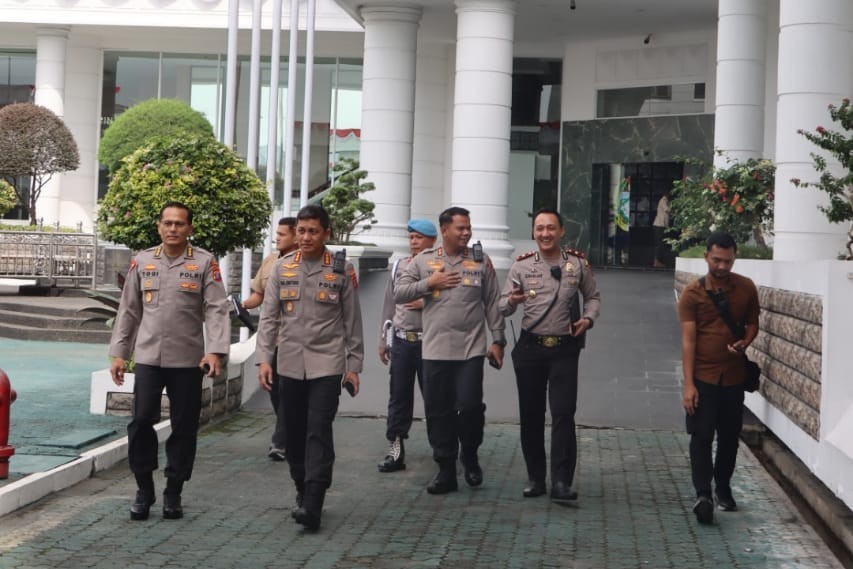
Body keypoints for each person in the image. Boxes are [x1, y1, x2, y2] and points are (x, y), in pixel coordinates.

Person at [109, 201, 230, 521]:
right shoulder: (143, 261)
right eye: (167, 223)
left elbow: (217, 308)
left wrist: (215, 351)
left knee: (185, 427)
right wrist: (119, 353)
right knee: (140, 421)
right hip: (149, 357)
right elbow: (129, 310)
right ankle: (143, 487)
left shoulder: (204, 263)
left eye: (179, 224)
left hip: (188, 359)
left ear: (190, 228)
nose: (173, 229)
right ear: (159, 226)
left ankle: (174, 489)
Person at [255, 204, 364, 531]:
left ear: (326, 233)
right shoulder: (282, 267)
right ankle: (301, 486)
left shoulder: (342, 270)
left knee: (319, 428)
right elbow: (269, 318)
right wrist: (263, 359)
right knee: (293, 430)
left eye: (313, 231)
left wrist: (353, 365)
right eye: (301, 231)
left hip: (327, 363)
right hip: (289, 362)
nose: (305, 237)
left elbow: (352, 321)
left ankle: (314, 500)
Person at [395, 206, 506, 494]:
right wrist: (429, 283)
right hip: (434, 350)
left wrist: (498, 340)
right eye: (461, 228)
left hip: (470, 350)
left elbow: (493, 302)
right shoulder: (424, 260)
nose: (467, 233)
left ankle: (469, 455)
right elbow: (400, 292)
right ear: (444, 231)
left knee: (470, 407)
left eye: (469, 228)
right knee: (438, 412)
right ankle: (445, 469)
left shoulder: (480, 261)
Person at [500, 208, 601, 503]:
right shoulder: (521, 266)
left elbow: (593, 296)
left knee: (563, 413)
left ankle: (561, 481)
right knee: (531, 415)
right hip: (530, 348)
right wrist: (512, 301)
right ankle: (536, 478)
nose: (545, 234)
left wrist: (588, 319)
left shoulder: (577, 264)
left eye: (551, 228)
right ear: (533, 232)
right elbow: (502, 306)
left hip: (564, 349)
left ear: (561, 231)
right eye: (540, 228)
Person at [678, 231, 759, 525]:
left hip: (734, 377)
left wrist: (744, 344)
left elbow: (752, 324)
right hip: (703, 375)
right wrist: (688, 385)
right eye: (716, 260)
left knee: (729, 437)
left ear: (735, 257)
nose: (722, 266)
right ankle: (703, 495)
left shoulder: (747, 288)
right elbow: (688, 340)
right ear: (706, 257)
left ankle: (722, 487)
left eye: (727, 260)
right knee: (701, 436)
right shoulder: (692, 294)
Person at [376, 218, 437, 473]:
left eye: (419, 238)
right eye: (411, 237)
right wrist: (383, 340)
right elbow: (389, 303)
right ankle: (396, 449)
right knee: (398, 397)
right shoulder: (399, 266)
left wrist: (427, 302)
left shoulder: (438, 266)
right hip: (402, 340)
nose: (414, 242)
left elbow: (455, 299)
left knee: (435, 398)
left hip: (431, 342)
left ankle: (443, 447)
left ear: (432, 240)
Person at [241, 216, 297, 462]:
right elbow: (258, 296)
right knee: (275, 392)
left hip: (294, 341)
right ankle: (290, 432)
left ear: (297, 236)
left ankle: (280, 443)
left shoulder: (301, 263)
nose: (277, 238)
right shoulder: (270, 262)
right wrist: (240, 305)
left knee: (287, 392)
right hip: (271, 339)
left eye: (283, 234)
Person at [653, 190, 671, 268]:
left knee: (661, 244)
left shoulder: (666, 200)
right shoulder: (663, 200)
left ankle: (659, 261)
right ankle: (656, 261)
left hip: (661, 225)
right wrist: (675, 211)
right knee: (660, 244)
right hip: (659, 225)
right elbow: (667, 209)